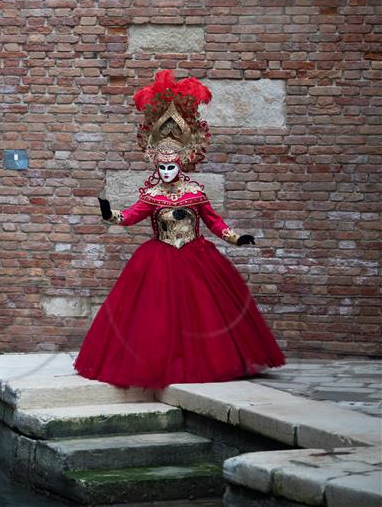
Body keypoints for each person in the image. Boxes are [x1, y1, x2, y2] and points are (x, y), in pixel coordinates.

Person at [73, 70, 286, 389]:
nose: (167, 171)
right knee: (156, 318)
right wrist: (109, 213)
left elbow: (214, 222)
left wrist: (237, 237)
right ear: (155, 164)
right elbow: (131, 216)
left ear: (182, 162)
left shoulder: (196, 193)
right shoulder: (152, 196)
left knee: (203, 313)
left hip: (197, 257)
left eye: (172, 166)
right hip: (159, 260)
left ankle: (210, 364)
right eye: (162, 166)